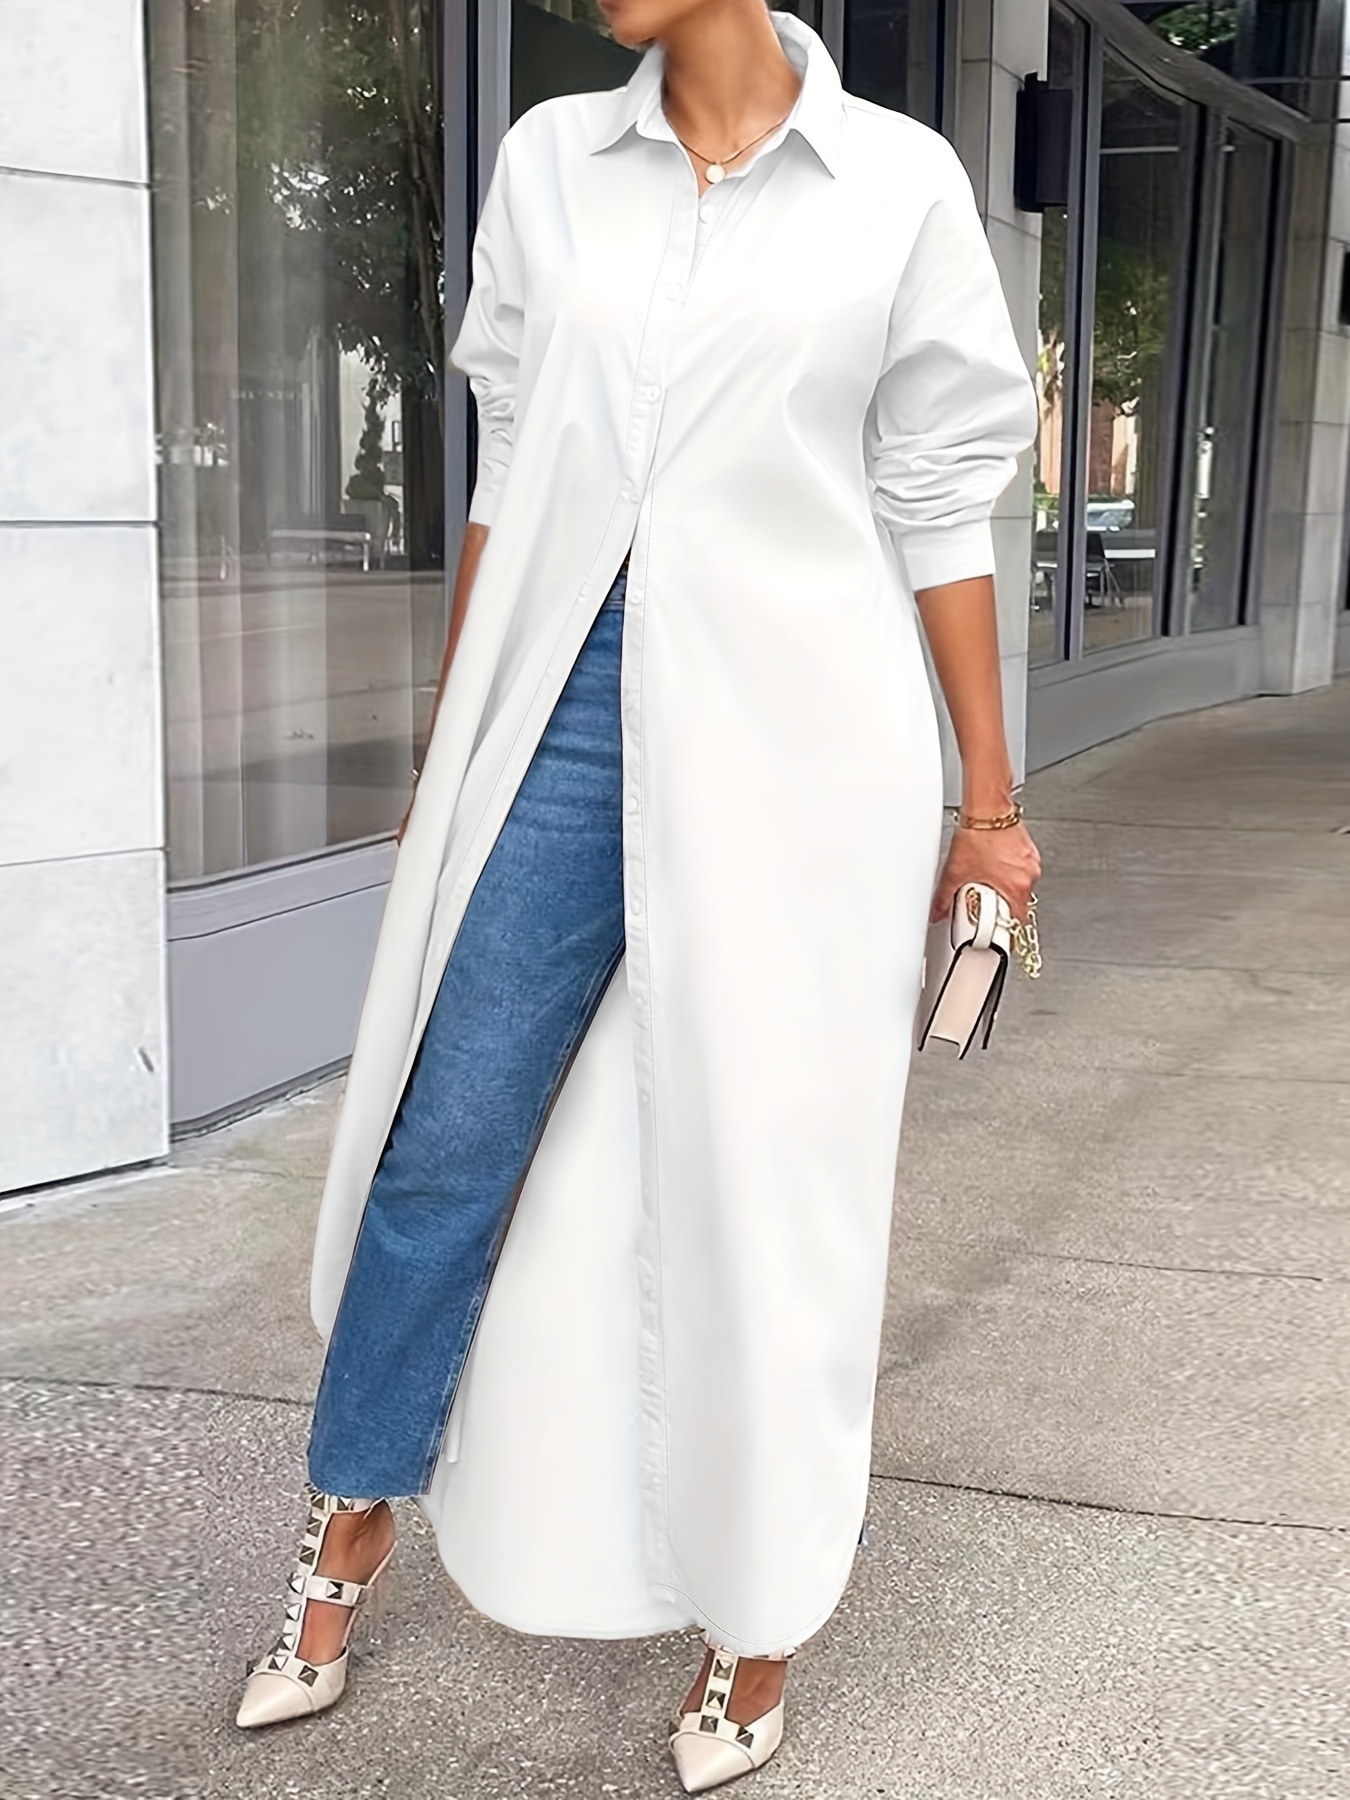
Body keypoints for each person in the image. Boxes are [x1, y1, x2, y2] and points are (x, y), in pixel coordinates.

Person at [236, 1, 1041, 1790]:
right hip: (569, 717)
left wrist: (985, 808)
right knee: (448, 1138)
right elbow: (513, 463)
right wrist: (461, 736)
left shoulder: (898, 185)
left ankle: (756, 1610)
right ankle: (352, 1511)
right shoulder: (549, 163)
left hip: (800, 738)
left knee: (767, 1184)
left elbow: (938, 499)